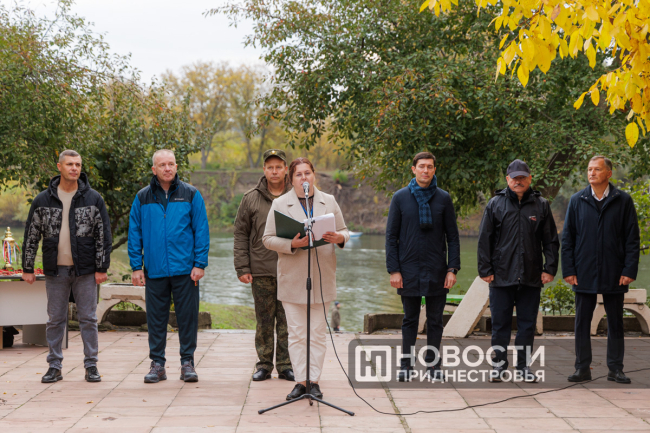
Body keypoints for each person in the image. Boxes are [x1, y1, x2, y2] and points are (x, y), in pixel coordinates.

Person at [263, 157, 350, 401]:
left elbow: (345, 231)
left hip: (321, 278)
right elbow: (267, 238)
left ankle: (315, 381)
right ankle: (301, 382)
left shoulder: (328, 201)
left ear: (314, 175)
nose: (304, 178)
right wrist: (291, 243)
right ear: (291, 179)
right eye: (298, 174)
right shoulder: (280, 203)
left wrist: (339, 238)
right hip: (292, 279)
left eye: (307, 173)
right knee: (297, 334)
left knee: (318, 334)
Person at [22, 149, 112, 383]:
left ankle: (91, 365)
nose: (74, 168)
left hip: (86, 270)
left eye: (78, 164)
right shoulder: (43, 200)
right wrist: (27, 267)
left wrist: (102, 267)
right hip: (55, 270)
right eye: (70, 164)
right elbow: (31, 235)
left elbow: (103, 236)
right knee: (55, 319)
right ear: (59, 167)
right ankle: (54, 366)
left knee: (88, 319)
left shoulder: (93, 199)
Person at [128, 149, 210, 384]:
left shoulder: (191, 194)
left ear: (176, 167)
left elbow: (201, 230)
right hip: (155, 270)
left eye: (171, 164)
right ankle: (158, 365)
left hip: (186, 270)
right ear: (154, 169)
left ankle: (187, 363)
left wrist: (199, 263)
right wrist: (136, 266)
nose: (167, 168)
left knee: (188, 318)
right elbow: (134, 233)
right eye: (162, 165)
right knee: (155, 319)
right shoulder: (142, 197)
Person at [478, 159, 559, 382]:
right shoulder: (495, 204)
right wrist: (485, 269)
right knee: (500, 325)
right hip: (501, 276)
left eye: (523, 177)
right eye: (514, 178)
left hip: (531, 276)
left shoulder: (541, 205)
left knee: (527, 325)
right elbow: (485, 240)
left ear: (530, 179)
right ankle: (499, 366)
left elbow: (550, 241)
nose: (518, 181)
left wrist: (549, 269)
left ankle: (523, 367)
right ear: (507, 179)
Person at [563, 156, 640, 384]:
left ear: (608, 173)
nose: (592, 173)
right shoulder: (577, 200)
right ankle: (582, 368)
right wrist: (569, 270)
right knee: (581, 322)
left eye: (597, 169)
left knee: (615, 322)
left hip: (614, 271)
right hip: (583, 271)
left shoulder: (623, 200)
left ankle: (615, 369)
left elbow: (632, 239)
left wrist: (629, 270)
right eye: (589, 169)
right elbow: (568, 239)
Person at [385, 151, 460, 382]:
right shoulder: (400, 198)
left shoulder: (443, 198)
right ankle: (406, 366)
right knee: (410, 320)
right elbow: (391, 237)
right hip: (408, 270)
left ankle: (434, 366)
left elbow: (453, 237)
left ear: (434, 170)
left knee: (435, 321)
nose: (425, 170)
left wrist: (452, 269)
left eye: (429, 166)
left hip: (437, 269)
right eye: (421, 166)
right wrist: (394, 270)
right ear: (413, 169)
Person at [234, 149, 294, 382]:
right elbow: (241, 234)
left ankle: (286, 365)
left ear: (286, 169)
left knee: (288, 323)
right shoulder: (250, 198)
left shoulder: (297, 196)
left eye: (279, 167)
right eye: (270, 167)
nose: (274, 171)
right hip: (260, 270)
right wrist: (242, 267)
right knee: (264, 322)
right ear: (264, 170)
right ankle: (264, 365)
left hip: (291, 269)